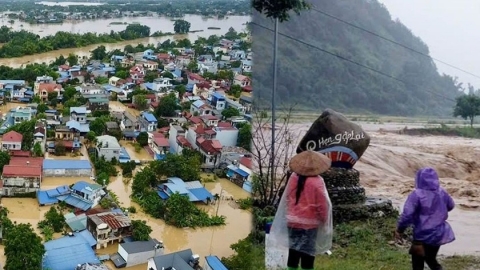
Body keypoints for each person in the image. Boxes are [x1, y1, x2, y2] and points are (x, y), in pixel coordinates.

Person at [268, 150, 333, 270]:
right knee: (307, 254)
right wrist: (324, 222)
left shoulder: (293, 178)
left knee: (293, 253)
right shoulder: (318, 182)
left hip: (292, 222)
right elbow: (322, 206)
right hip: (309, 225)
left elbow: (287, 198)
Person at [395, 167, 455, 270]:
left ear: (418, 179)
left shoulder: (416, 195)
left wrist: (400, 230)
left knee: (417, 263)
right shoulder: (442, 192)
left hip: (421, 236)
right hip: (439, 233)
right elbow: (451, 206)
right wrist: (438, 212)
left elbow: (407, 215)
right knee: (431, 259)